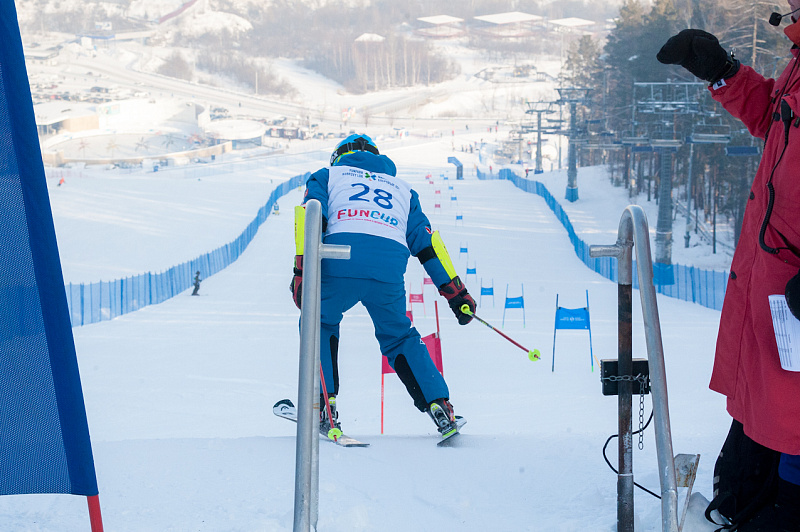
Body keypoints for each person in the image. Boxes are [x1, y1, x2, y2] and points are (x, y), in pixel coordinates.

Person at [657, 8, 800, 531]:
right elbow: (776, 120)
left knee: (792, 413)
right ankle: (746, 502)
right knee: (770, 404)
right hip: (774, 279)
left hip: (789, 279)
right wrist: (725, 72)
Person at [289, 133, 476, 437]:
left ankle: (321, 404)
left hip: (339, 259)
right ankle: (439, 404)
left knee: (318, 322)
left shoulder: (327, 176)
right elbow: (428, 244)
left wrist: (301, 271)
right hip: (387, 267)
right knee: (399, 336)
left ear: (338, 157)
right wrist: (455, 292)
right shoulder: (404, 190)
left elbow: (311, 217)